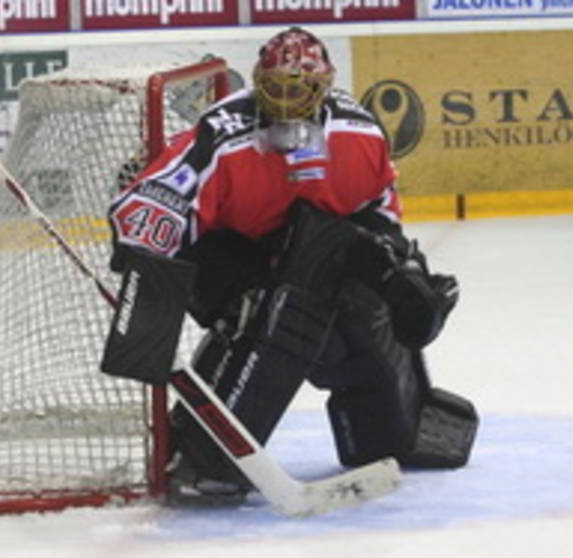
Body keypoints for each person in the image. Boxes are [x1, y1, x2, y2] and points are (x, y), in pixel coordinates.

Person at [101, 27, 478, 505]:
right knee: (281, 310)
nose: (285, 101)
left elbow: (376, 212)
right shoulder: (224, 134)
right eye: (275, 88)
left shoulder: (359, 134)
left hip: (301, 250)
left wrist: (397, 272)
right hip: (223, 252)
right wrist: (150, 285)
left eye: (299, 90)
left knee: (358, 311)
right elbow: (145, 205)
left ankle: (386, 428)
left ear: (326, 88)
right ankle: (204, 455)